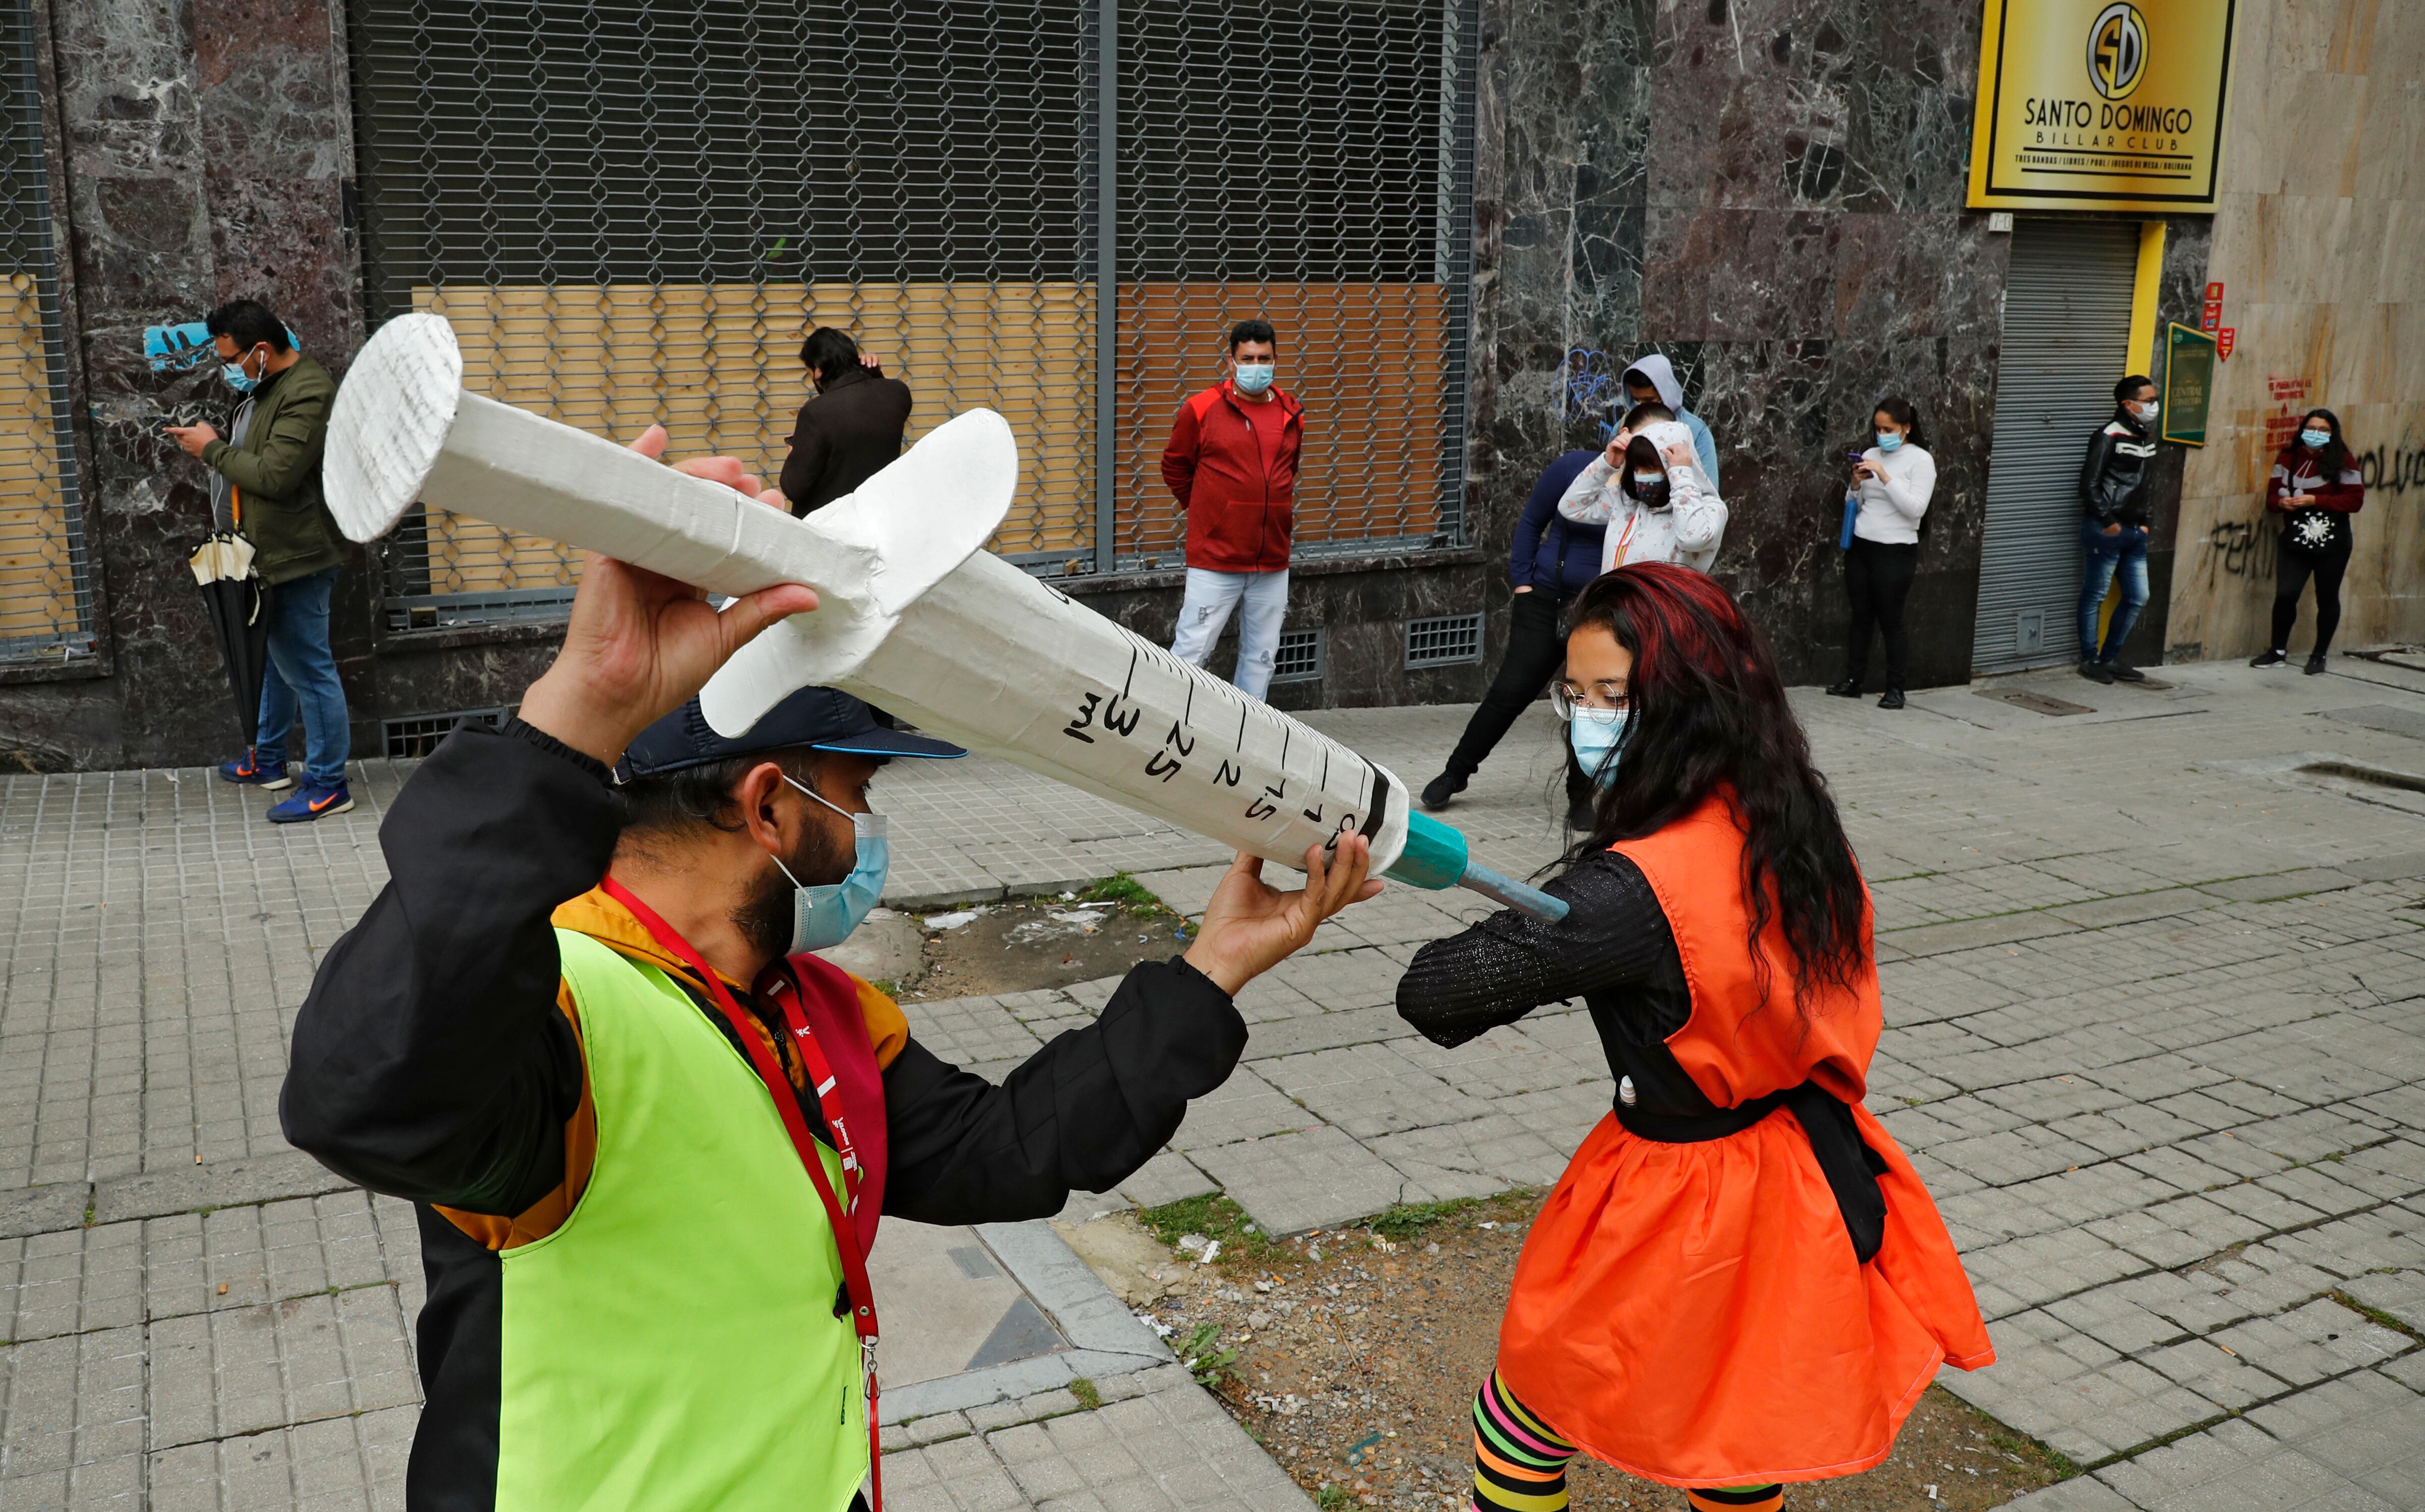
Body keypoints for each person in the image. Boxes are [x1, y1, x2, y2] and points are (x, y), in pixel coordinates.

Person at [280, 426, 1379, 1510]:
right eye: (856, 801)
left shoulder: (811, 1014)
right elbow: (359, 1096)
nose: (870, 837)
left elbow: (1007, 1150)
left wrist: (1211, 967)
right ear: (767, 806)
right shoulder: (555, 1018)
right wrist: (584, 708)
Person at [1394, 564, 1992, 1512]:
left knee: (1525, 1410)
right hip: (1793, 1173)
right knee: (1736, 1437)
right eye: (1574, 694)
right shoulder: (1791, 820)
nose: (1587, 719)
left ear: (1683, 703)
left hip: (1682, 1190)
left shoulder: (1626, 893)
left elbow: (1431, 994)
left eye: (1614, 698)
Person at [166, 299, 353, 822]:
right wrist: (217, 447)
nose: (230, 368)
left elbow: (276, 476)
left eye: (232, 359)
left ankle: (328, 785)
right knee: (270, 662)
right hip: (260, 554)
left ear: (263, 352)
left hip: (297, 556)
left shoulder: (308, 391)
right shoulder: (269, 389)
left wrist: (211, 450)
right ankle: (268, 759)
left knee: (309, 672)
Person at [1420, 447, 1606, 828]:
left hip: (1598, 609)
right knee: (1509, 692)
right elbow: (1530, 523)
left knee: (1589, 702)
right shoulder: (1574, 468)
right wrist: (1522, 583)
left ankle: (1580, 796)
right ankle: (1454, 773)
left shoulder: (1643, 487)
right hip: (1544, 599)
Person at [1162, 318, 1304, 699]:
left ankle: (1247, 742)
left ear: (1275, 360)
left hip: (1272, 562)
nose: (1256, 366)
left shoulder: (1291, 413)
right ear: (1230, 361)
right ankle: (1167, 727)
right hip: (1216, 560)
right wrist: (1211, 512)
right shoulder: (1201, 409)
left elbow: (1287, 471)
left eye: (1264, 358)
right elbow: (1175, 466)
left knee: (1261, 658)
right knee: (1192, 653)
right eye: (1248, 358)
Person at [1825, 397, 1936, 710]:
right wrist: (1856, 485)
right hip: (1862, 546)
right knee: (1860, 617)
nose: (1881, 434)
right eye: (1878, 428)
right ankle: (1852, 680)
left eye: (1889, 428)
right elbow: (1856, 505)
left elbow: (1915, 509)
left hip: (1896, 551)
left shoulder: (1921, 460)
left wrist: (1885, 476)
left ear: (1907, 428)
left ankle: (1896, 689)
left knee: (1891, 620)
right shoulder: (1872, 454)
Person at [2250, 408, 2364, 675]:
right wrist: (2282, 503)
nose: (2316, 434)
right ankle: (2277, 651)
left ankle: (2319, 653)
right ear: (2302, 430)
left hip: (2333, 540)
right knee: (2286, 594)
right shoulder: (2289, 458)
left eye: (2323, 430)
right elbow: (2270, 499)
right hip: (2295, 538)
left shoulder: (2344, 461)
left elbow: (2355, 501)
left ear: (2333, 433)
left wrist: (2317, 501)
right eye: (2311, 428)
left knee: (2327, 597)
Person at [1556, 412, 1726, 575]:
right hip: (1612, 603)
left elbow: (1693, 539)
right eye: (1637, 468)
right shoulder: (1628, 502)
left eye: (1650, 468)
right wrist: (1606, 465)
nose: (1642, 476)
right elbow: (1571, 507)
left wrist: (1681, 474)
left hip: (1661, 606)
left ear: (1672, 466)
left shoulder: (1710, 509)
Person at [2077, 375, 2160, 684]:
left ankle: (2111, 658)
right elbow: (2089, 485)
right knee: (2095, 594)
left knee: (2139, 596)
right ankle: (2090, 659)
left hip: (2136, 531)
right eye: (2149, 401)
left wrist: (2146, 522)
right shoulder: (2108, 435)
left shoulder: (2145, 437)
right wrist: (2108, 522)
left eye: (2155, 400)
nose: (2154, 406)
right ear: (2129, 404)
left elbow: (2147, 484)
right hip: (2107, 529)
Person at [779, 327, 913, 516]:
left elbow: (794, 488)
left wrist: (795, 453)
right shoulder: (898, 393)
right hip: (879, 515)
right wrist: (873, 375)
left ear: (818, 371)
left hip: (829, 525)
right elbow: (876, 409)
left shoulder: (815, 413)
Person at [1617, 353, 1720, 491]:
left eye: (1649, 400)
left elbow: (1709, 487)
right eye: (1636, 400)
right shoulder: (1626, 425)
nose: (1642, 407)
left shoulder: (1696, 430)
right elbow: (1610, 476)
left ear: (1666, 393)